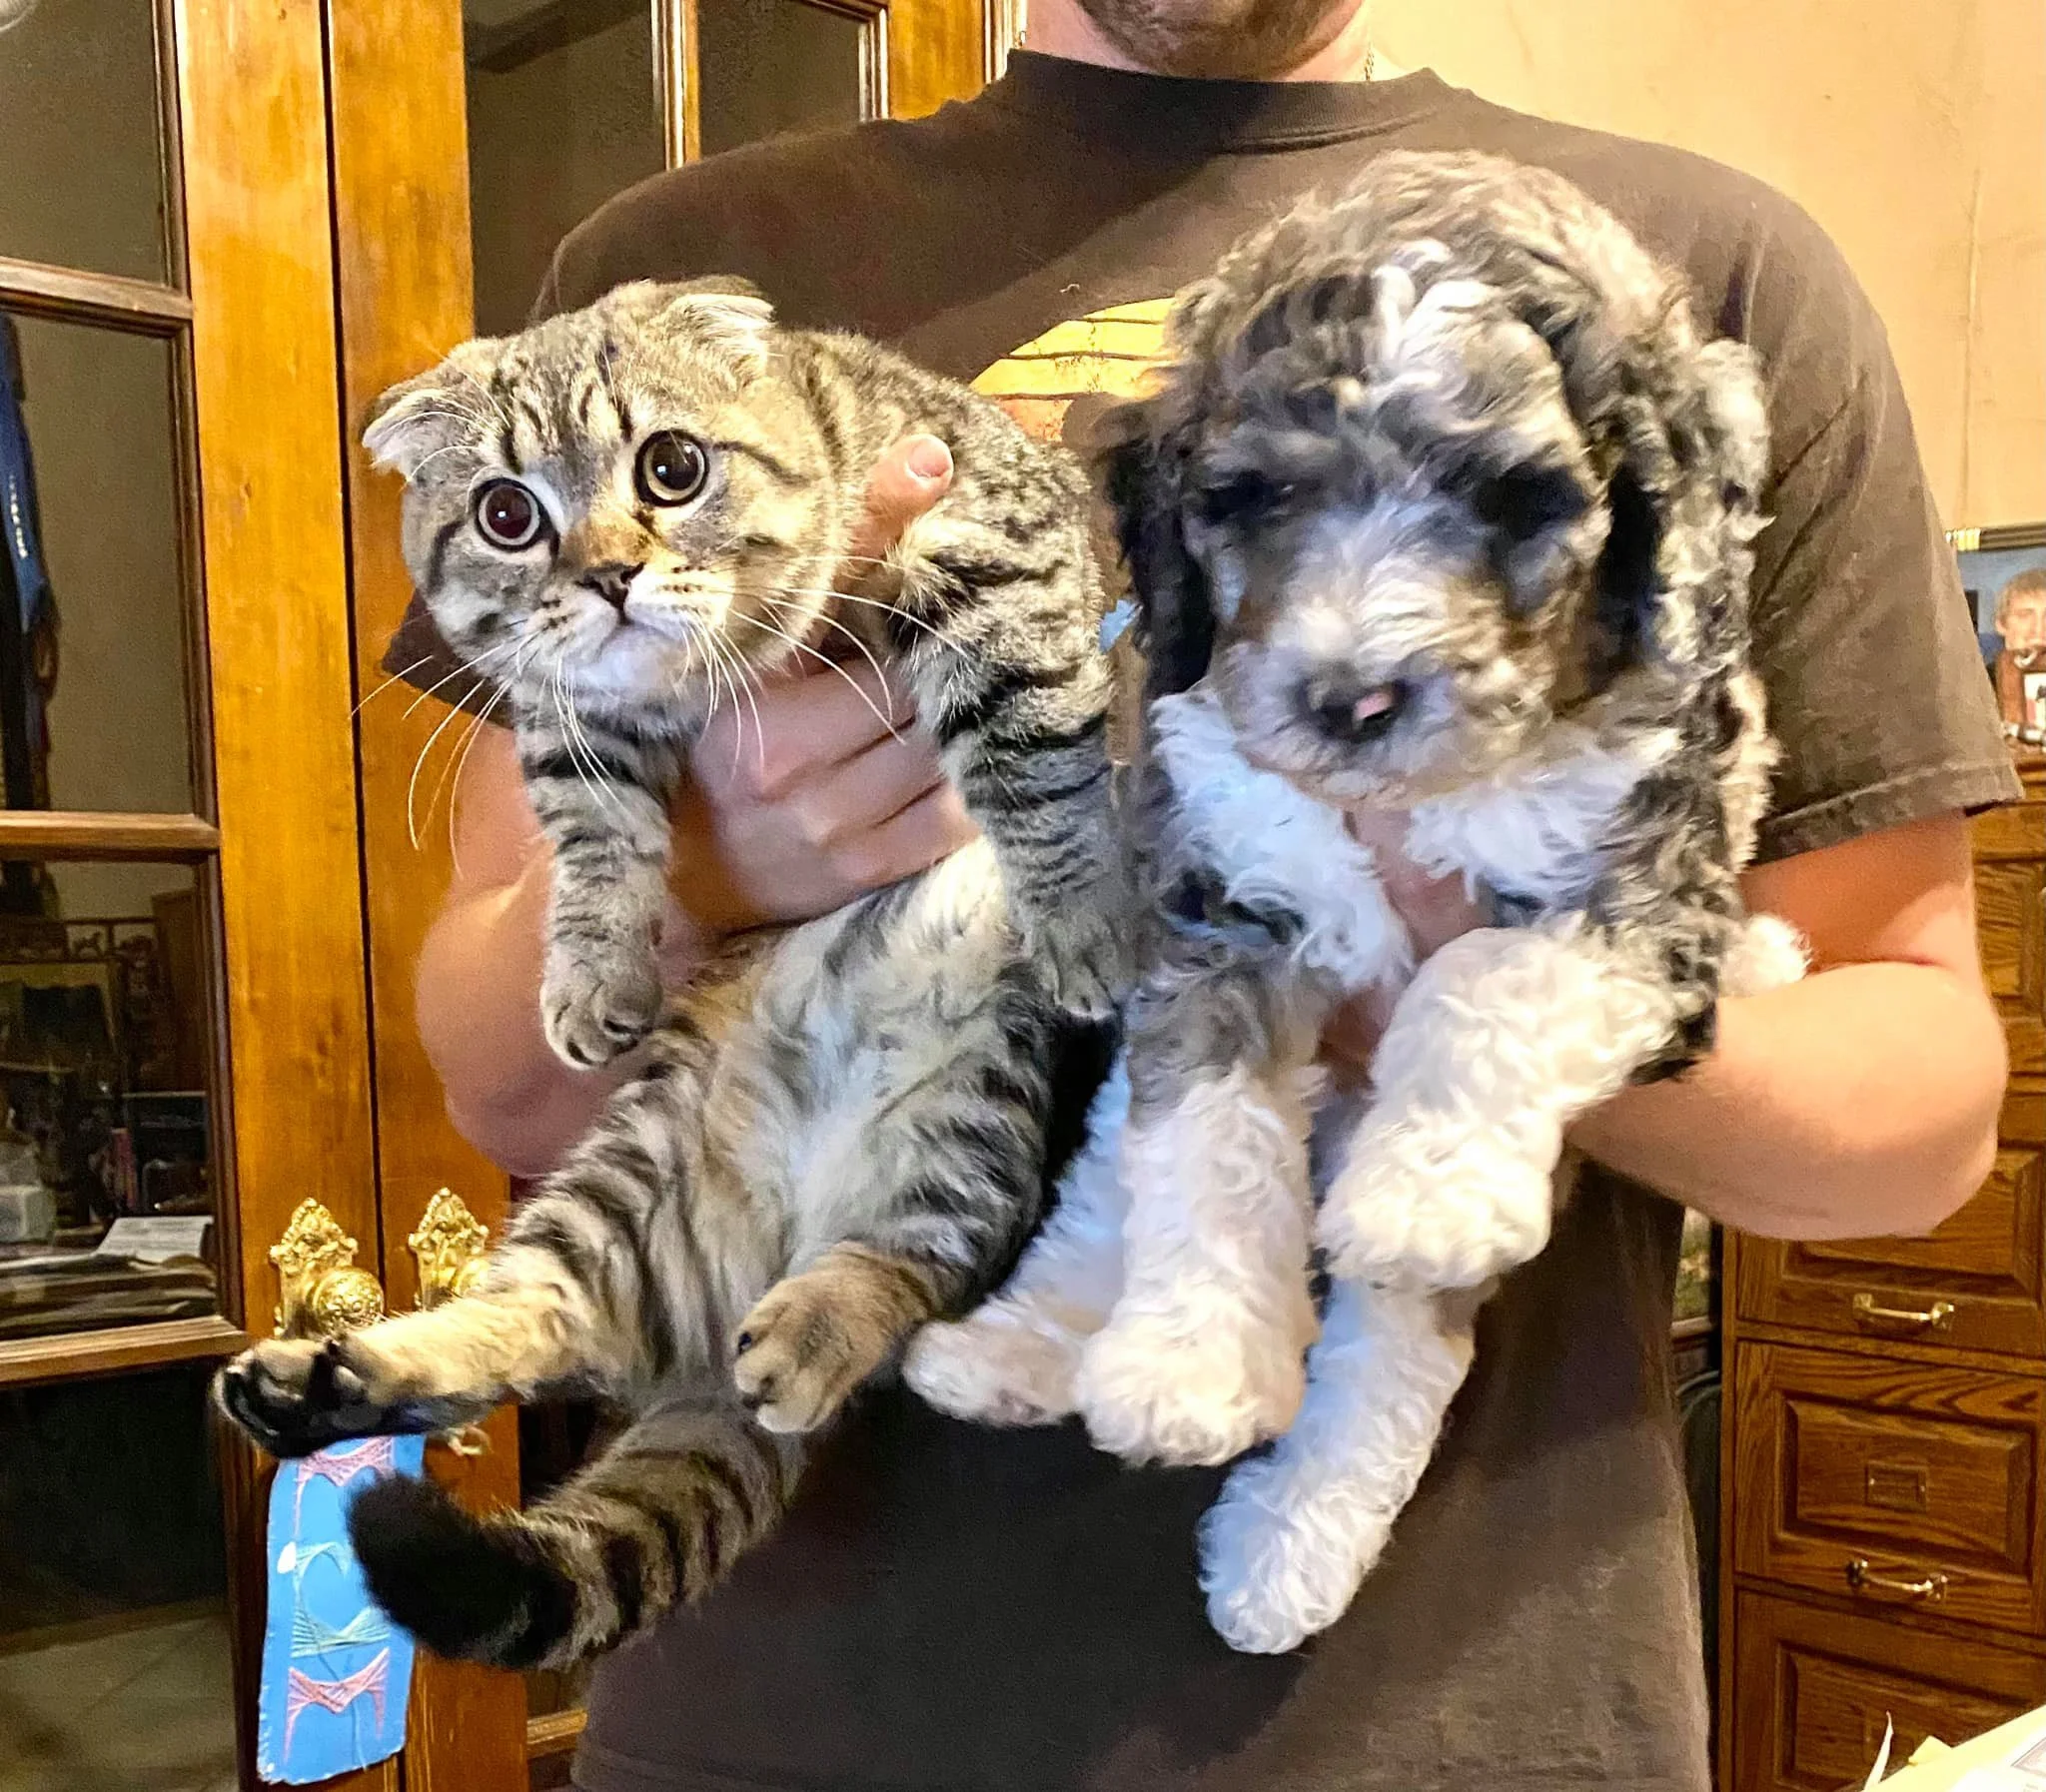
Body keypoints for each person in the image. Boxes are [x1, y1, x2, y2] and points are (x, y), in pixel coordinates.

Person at [388, 2, 2016, 1785]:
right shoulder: (676, 290)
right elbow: (498, 1072)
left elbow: (1919, 1110)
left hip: (1478, 1718)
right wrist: (729, 862)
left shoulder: (1696, 276)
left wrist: (1469, 955)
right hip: (795, 1713)